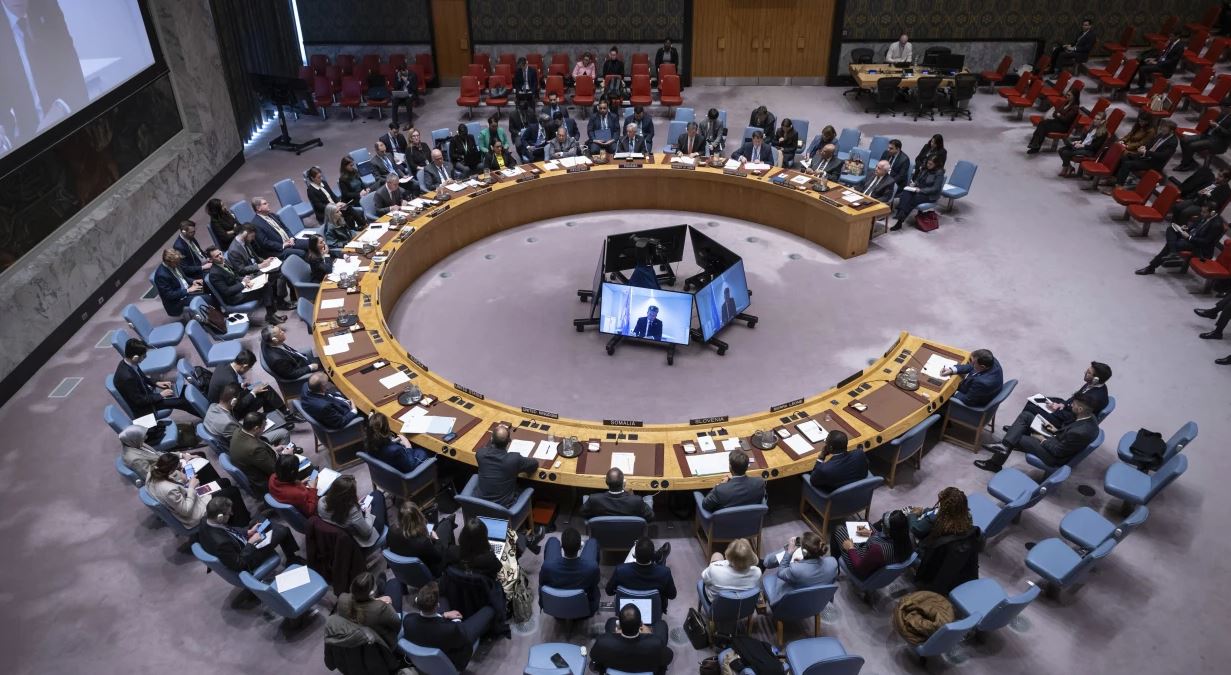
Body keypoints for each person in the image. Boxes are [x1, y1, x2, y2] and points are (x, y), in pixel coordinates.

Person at [0, 0, 88, 146]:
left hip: (67, 124)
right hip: (25, 140)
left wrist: (59, 110)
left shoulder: (46, 6)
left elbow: (74, 75)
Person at [976, 394, 1100, 471]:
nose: (1071, 405)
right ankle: (1004, 446)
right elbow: (1066, 432)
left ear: (1080, 409)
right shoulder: (1088, 416)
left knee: (1018, 437)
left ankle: (995, 463)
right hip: (1057, 437)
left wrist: (1042, 438)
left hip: (1053, 456)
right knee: (1026, 416)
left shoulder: (1080, 432)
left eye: (1073, 404)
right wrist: (1052, 429)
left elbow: (1058, 451)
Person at [402, 582, 494, 672]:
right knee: (488, 610)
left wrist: (443, 615)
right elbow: (461, 635)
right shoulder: (451, 629)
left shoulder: (408, 620)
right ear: (437, 605)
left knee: (444, 600)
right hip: (453, 656)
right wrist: (456, 620)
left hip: (428, 654)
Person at [198, 496, 302, 571]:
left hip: (238, 543)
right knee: (283, 530)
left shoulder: (206, 520)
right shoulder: (221, 543)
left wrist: (248, 532)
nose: (232, 514)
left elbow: (227, 530)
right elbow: (239, 564)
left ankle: (270, 531)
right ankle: (292, 559)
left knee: (259, 520)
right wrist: (251, 543)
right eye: (229, 513)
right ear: (220, 517)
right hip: (247, 558)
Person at [146, 452, 248, 528]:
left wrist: (185, 483)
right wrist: (191, 487)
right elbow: (186, 511)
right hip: (194, 512)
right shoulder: (168, 490)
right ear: (171, 470)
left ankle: (229, 517)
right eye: (177, 468)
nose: (179, 470)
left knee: (224, 482)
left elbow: (173, 484)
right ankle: (243, 523)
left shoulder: (153, 472)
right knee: (233, 491)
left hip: (190, 496)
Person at [1006, 362, 1112, 432]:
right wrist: (1062, 404)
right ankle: (1018, 428)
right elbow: (1076, 397)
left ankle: (1020, 433)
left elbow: (1075, 416)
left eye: (1088, 372)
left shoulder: (1094, 398)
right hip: (1069, 408)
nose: (1085, 372)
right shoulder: (1092, 384)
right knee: (1035, 399)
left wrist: (1056, 409)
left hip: (1067, 420)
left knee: (1032, 408)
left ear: (1096, 379)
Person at [113, 338, 197, 418]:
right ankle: (203, 414)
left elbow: (142, 377)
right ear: (135, 357)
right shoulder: (127, 377)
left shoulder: (129, 362)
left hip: (147, 394)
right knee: (181, 402)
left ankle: (200, 406)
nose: (145, 357)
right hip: (146, 407)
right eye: (144, 356)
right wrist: (161, 395)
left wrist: (156, 383)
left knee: (182, 390)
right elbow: (139, 401)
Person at [1136, 202, 1226, 274]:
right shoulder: (1205, 215)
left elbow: (1205, 242)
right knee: (1171, 229)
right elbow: (1196, 225)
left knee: (1172, 245)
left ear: (1213, 212)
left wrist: (1189, 238)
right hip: (1191, 237)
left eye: (1204, 212)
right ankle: (1173, 252)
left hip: (1200, 248)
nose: (1201, 214)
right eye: (1201, 211)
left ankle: (1151, 267)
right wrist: (1187, 228)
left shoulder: (1216, 225)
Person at [206, 243, 284, 325]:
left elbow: (235, 277)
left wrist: (244, 279)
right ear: (211, 260)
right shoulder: (214, 274)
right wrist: (243, 284)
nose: (221, 257)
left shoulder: (224, 262)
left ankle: (271, 315)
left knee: (265, 282)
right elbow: (226, 291)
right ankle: (271, 316)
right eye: (216, 256)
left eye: (220, 253)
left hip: (240, 289)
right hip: (234, 297)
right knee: (265, 287)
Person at [589, 603, 674, 675]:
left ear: (619, 626)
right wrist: (649, 634)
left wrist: (615, 635)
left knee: (611, 621)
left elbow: (594, 656)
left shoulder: (603, 642)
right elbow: (668, 658)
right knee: (661, 624)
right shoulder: (655, 644)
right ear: (641, 624)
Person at [207, 348, 291, 420]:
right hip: (230, 412)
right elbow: (238, 406)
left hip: (222, 401)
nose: (248, 371)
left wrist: (240, 385)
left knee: (264, 388)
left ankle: (282, 413)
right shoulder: (230, 380)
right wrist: (253, 392)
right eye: (249, 368)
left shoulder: (222, 365)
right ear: (245, 366)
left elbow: (225, 386)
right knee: (263, 395)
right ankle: (281, 415)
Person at [761, 531, 838, 605]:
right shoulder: (833, 563)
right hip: (818, 603)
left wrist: (789, 552)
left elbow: (779, 572)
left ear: (804, 552)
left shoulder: (795, 569)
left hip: (793, 604)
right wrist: (803, 563)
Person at [203, 382, 291, 447]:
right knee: (284, 432)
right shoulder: (228, 423)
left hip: (232, 436)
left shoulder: (212, 407)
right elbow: (248, 440)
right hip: (246, 443)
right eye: (238, 399)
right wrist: (259, 427)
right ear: (233, 401)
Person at [832, 510, 914, 579]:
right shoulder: (908, 538)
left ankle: (834, 569)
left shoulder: (878, 550)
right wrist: (872, 534)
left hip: (861, 566)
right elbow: (883, 539)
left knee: (838, 529)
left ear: (891, 532)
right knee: (863, 522)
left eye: (883, 525)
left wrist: (850, 548)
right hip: (876, 557)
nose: (881, 524)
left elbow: (859, 568)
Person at [474, 423, 539, 507]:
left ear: (491, 439)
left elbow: (487, 450)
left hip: (479, 505)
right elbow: (534, 464)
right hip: (502, 508)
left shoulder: (480, 454)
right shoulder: (514, 459)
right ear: (509, 441)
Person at [388, 500, 457, 578]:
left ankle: (448, 522)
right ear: (418, 517)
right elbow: (438, 558)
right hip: (430, 570)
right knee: (446, 525)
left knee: (442, 525)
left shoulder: (391, 530)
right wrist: (436, 539)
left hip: (407, 571)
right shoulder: (423, 542)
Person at [539, 527, 601, 614]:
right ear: (580, 547)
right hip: (585, 609)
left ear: (561, 546)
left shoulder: (547, 567)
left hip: (555, 607)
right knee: (592, 542)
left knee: (552, 540)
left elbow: (542, 583)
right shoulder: (592, 568)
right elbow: (595, 582)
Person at [229, 412, 294, 493]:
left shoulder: (238, 431)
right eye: (264, 426)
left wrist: (274, 449)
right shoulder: (255, 449)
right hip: (266, 481)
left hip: (254, 466)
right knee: (296, 465)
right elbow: (276, 470)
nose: (264, 429)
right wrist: (286, 456)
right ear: (256, 428)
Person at [320, 473, 387, 551]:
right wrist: (367, 513)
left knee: (373, 495)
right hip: (360, 540)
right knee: (378, 495)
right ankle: (387, 534)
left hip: (342, 534)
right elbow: (367, 533)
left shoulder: (321, 502)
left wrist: (355, 504)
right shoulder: (352, 511)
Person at [606, 537, 677, 609]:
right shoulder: (664, 573)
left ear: (634, 555)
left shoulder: (620, 570)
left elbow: (609, 591)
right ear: (653, 556)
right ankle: (660, 557)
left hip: (627, 611)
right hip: (654, 610)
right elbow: (672, 595)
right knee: (661, 570)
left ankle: (660, 557)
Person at [336, 572, 400, 649]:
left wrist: (376, 600)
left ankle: (381, 587)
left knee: (381, 580)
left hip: (357, 640)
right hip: (383, 645)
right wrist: (387, 605)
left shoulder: (342, 598)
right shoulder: (382, 608)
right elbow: (397, 624)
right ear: (371, 593)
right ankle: (382, 587)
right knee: (394, 583)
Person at [1115, 119, 1178, 187]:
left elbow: (1162, 156)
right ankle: (1116, 178)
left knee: (1127, 164)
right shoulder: (1161, 134)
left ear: (1171, 131)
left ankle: (1119, 185)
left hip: (1154, 163)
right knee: (1125, 156)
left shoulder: (1172, 142)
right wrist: (1144, 147)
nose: (1162, 129)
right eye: (1162, 127)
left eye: (1164, 129)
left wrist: (1146, 152)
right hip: (1146, 156)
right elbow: (1151, 144)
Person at [364, 411, 430, 473]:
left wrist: (393, 442)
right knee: (423, 452)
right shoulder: (396, 450)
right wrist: (408, 446)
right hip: (404, 473)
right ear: (387, 428)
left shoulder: (368, 442)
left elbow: (383, 447)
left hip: (386, 469)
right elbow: (410, 466)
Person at [701, 450, 766, 511]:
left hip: (725, 518)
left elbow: (705, 505)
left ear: (730, 467)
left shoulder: (720, 490)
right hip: (751, 517)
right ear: (747, 467)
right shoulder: (759, 483)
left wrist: (720, 485)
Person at [701, 537, 762, 602]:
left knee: (717, 555)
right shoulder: (757, 572)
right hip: (744, 605)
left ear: (728, 556)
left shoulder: (714, 570)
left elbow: (704, 578)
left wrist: (715, 565)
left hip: (716, 604)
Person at [892, 155, 944, 230]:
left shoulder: (939, 173)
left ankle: (899, 221)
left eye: (931, 164)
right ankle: (900, 214)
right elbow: (918, 179)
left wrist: (921, 190)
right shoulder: (925, 168)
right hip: (918, 189)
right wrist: (914, 184)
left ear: (936, 164)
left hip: (929, 195)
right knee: (906, 192)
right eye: (928, 163)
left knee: (912, 199)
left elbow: (935, 188)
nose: (928, 165)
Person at [306, 166, 364, 232]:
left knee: (347, 207)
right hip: (326, 212)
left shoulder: (324, 183)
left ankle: (361, 225)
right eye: (318, 177)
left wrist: (339, 202)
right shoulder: (310, 190)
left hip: (335, 206)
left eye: (321, 176)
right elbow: (319, 206)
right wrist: (334, 207)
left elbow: (333, 195)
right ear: (312, 178)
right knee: (342, 213)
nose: (321, 178)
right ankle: (351, 230)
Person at [581, 468, 654, 520]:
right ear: (624, 483)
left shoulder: (594, 499)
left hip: (603, 532)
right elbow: (651, 516)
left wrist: (597, 518)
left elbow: (583, 513)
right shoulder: (636, 500)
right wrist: (631, 496)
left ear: (606, 483)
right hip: (630, 532)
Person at [152, 249, 204, 320]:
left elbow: (183, 278)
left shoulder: (175, 264)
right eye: (176, 263)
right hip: (177, 301)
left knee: (207, 288)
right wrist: (188, 290)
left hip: (186, 290)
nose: (178, 264)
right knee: (205, 298)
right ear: (167, 262)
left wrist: (193, 281)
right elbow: (169, 295)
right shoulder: (161, 276)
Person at [1026, 87, 1081, 153]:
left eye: (1069, 95)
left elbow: (1066, 119)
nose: (1067, 96)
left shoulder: (1075, 107)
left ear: (1074, 97)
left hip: (1063, 127)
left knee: (1044, 126)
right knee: (1042, 123)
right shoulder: (1065, 102)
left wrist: (1059, 115)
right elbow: (1055, 113)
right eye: (1067, 94)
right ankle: (1035, 145)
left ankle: (1035, 146)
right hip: (1057, 122)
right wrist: (1059, 115)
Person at [1058, 111, 1109, 177]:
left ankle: (1065, 168)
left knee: (1066, 152)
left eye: (1098, 119)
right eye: (1095, 118)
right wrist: (1079, 141)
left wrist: (1083, 145)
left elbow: (1095, 147)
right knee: (1060, 150)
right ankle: (1069, 167)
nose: (1095, 120)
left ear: (1102, 121)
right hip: (1083, 146)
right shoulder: (1092, 127)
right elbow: (1085, 139)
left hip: (1089, 151)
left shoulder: (1104, 133)